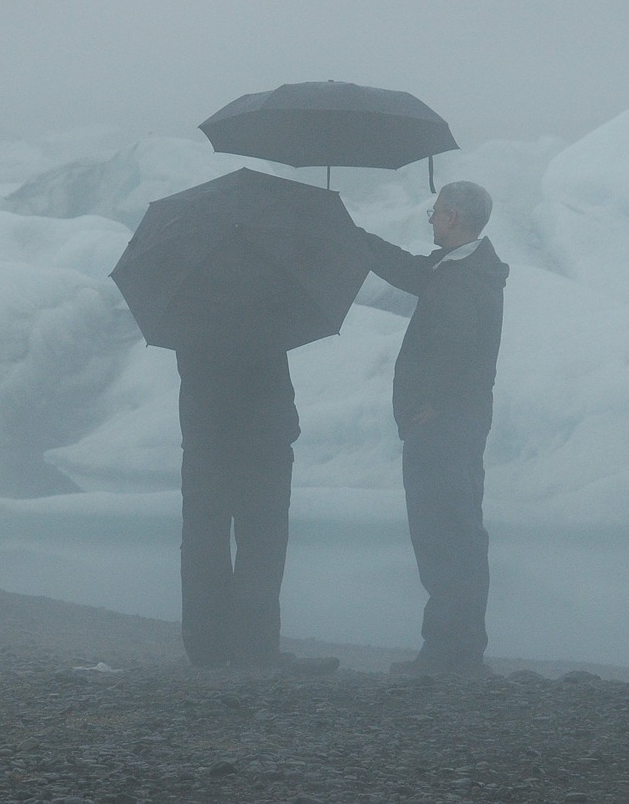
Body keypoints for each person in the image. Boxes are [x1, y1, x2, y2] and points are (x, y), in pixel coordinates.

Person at [357, 181, 509, 676]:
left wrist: (429, 408)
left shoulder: (463, 277)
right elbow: (411, 270)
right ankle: (456, 647)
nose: (431, 219)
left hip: (444, 428)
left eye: (436, 212)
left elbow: (454, 348)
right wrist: (354, 238)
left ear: (453, 217)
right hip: (454, 424)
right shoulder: (462, 269)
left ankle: (450, 652)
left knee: (444, 533)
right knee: (456, 532)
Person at [175, 344, 339, 676]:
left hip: (208, 440)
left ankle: (206, 647)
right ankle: (254, 647)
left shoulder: (190, 310)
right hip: (261, 442)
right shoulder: (266, 307)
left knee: (205, 541)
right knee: (261, 544)